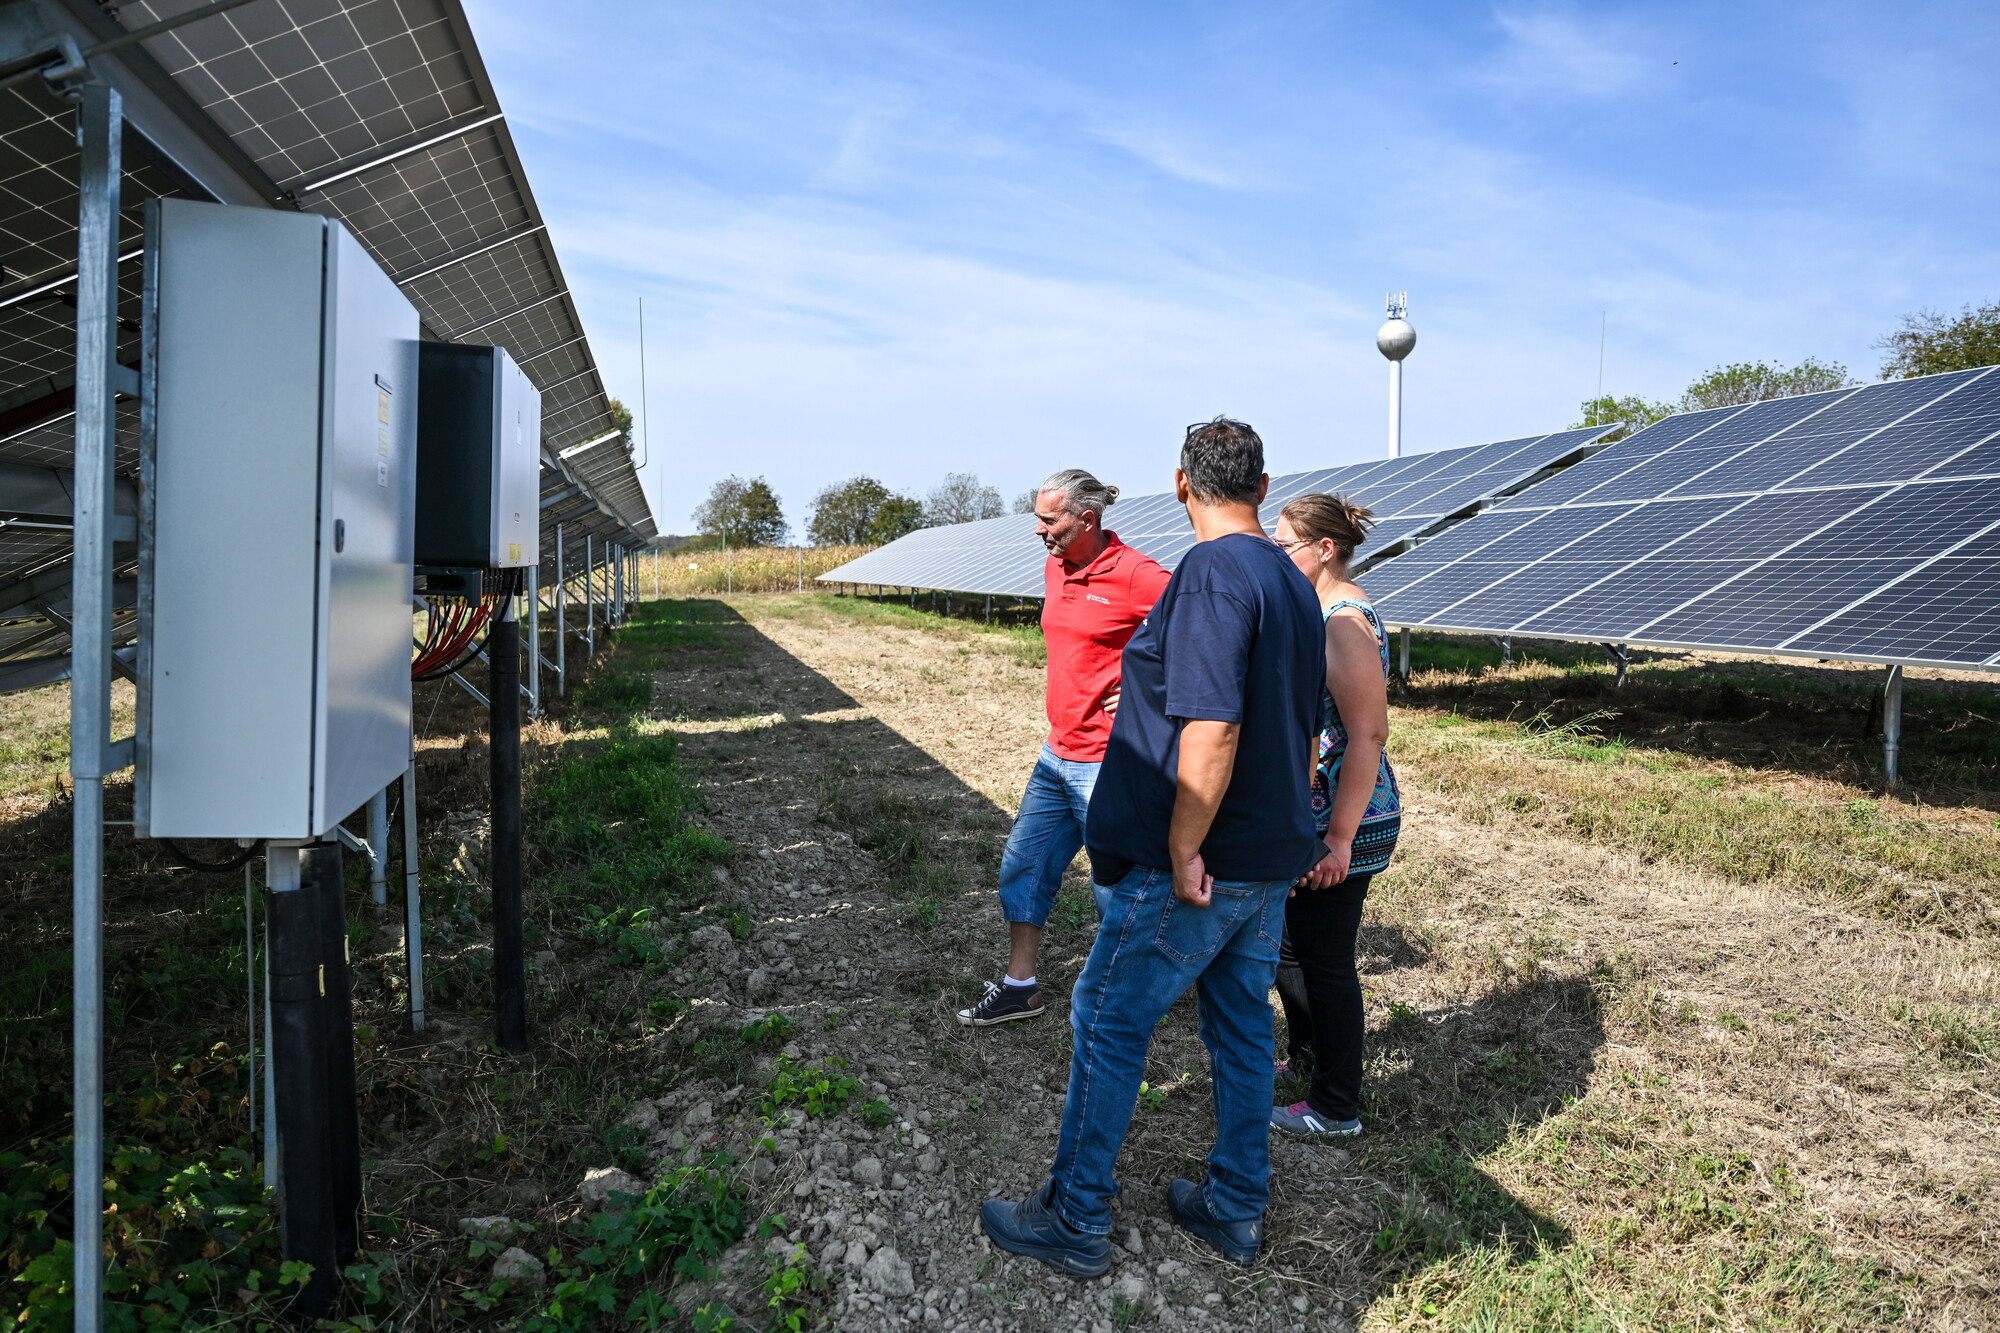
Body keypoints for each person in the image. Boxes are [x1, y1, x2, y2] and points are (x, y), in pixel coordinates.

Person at [980, 418, 1326, 1274]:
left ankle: (1074, 1215)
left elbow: (1212, 724)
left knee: (1105, 1012)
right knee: (1243, 1031)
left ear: (1181, 486)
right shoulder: (1289, 578)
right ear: (1263, 483)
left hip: (1211, 858)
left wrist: (1182, 848)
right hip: (1272, 851)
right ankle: (1235, 1205)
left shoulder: (1210, 574)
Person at [958, 469, 1171, 1027]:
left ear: (1087, 520)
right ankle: (1019, 986)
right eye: (1038, 519)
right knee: (1023, 868)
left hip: (1108, 761)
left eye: (1049, 520)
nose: (1039, 531)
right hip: (1058, 753)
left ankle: (1132, 996)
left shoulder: (1134, 573)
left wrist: (1151, 688)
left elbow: (1198, 628)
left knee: (1114, 891)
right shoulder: (1057, 564)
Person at [1268, 493, 1401, 1139]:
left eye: (1285, 542)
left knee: (1325, 957)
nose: (1275, 553)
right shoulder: (1319, 611)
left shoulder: (1345, 622)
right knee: (1292, 945)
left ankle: (1336, 1105)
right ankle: (1309, 1062)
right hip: (1316, 816)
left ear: (1324, 549)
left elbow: (1368, 735)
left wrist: (1339, 838)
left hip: (1346, 818)